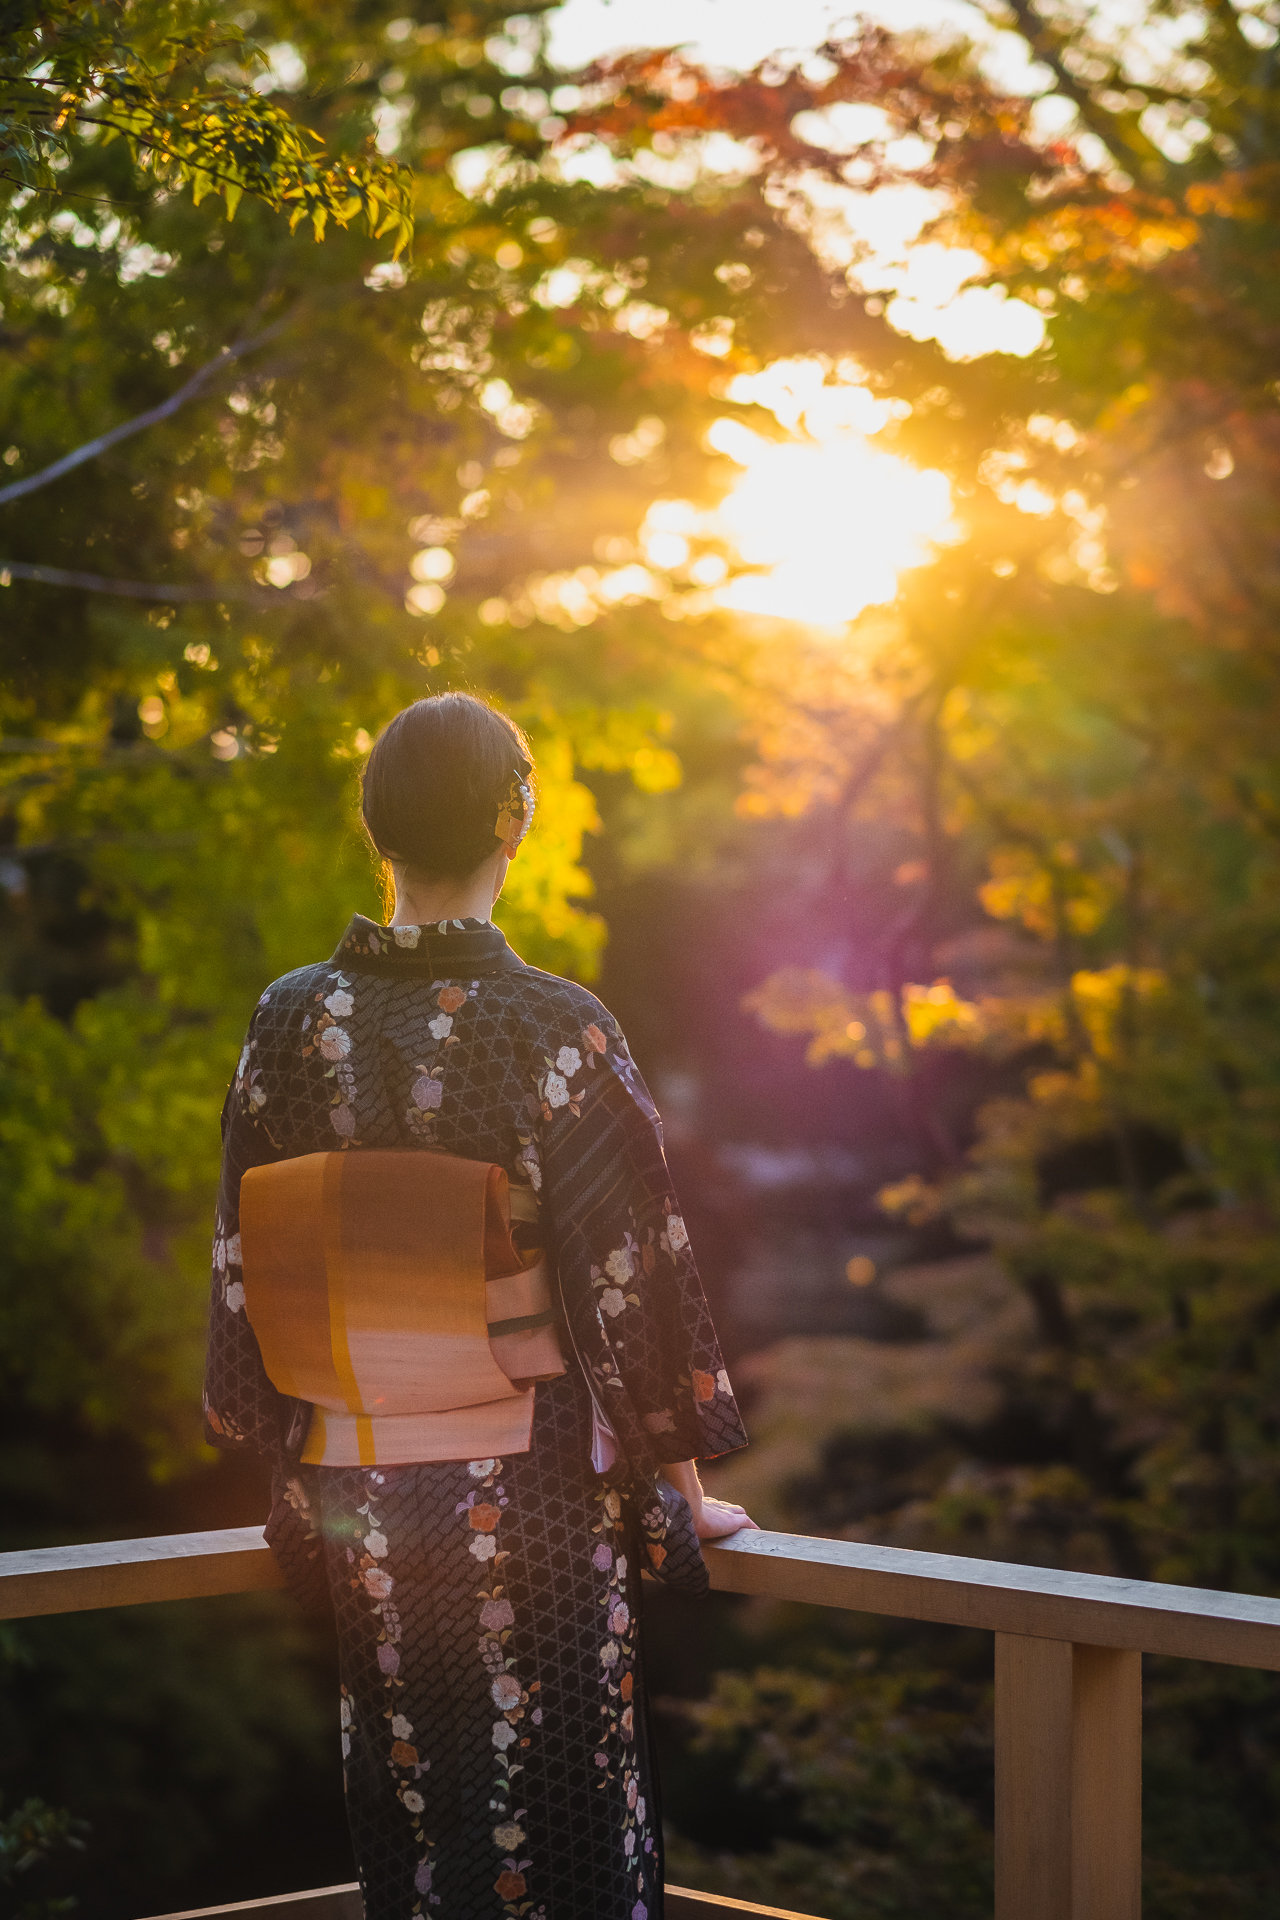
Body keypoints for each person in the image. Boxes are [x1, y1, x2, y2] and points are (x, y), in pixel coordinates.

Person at [202, 692, 756, 1920]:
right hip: (535, 1495)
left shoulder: (289, 1018)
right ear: (514, 822)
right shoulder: (554, 1028)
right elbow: (631, 1276)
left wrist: (286, 1470)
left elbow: (249, 1255)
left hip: (366, 1502)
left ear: (375, 827)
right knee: (561, 1827)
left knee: (422, 1832)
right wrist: (683, 1496)